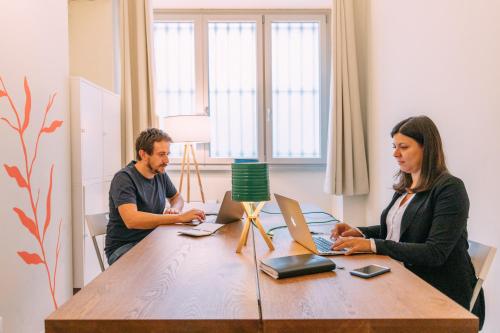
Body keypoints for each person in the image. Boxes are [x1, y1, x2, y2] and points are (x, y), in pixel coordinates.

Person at [330, 116, 485, 328]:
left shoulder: (450, 189)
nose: (395, 153)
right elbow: (397, 230)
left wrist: (373, 245)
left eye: (403, 147)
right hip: (402, 278)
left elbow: (435, 252)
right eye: (394, 146)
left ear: (427, 148)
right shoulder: (407, 186)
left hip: (438, 293)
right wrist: (359, 232)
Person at [105, 128, 205, 265]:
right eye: (161, 154)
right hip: (124, 248)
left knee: (188, 256)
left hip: (153, 240)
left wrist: (175, 209)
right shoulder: (124, 178)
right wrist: (178, 217)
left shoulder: (160, 174)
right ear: (143, 154)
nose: (167, 160)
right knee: (171, 265)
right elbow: (132, 220)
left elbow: (177, 198)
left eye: (167, 154)